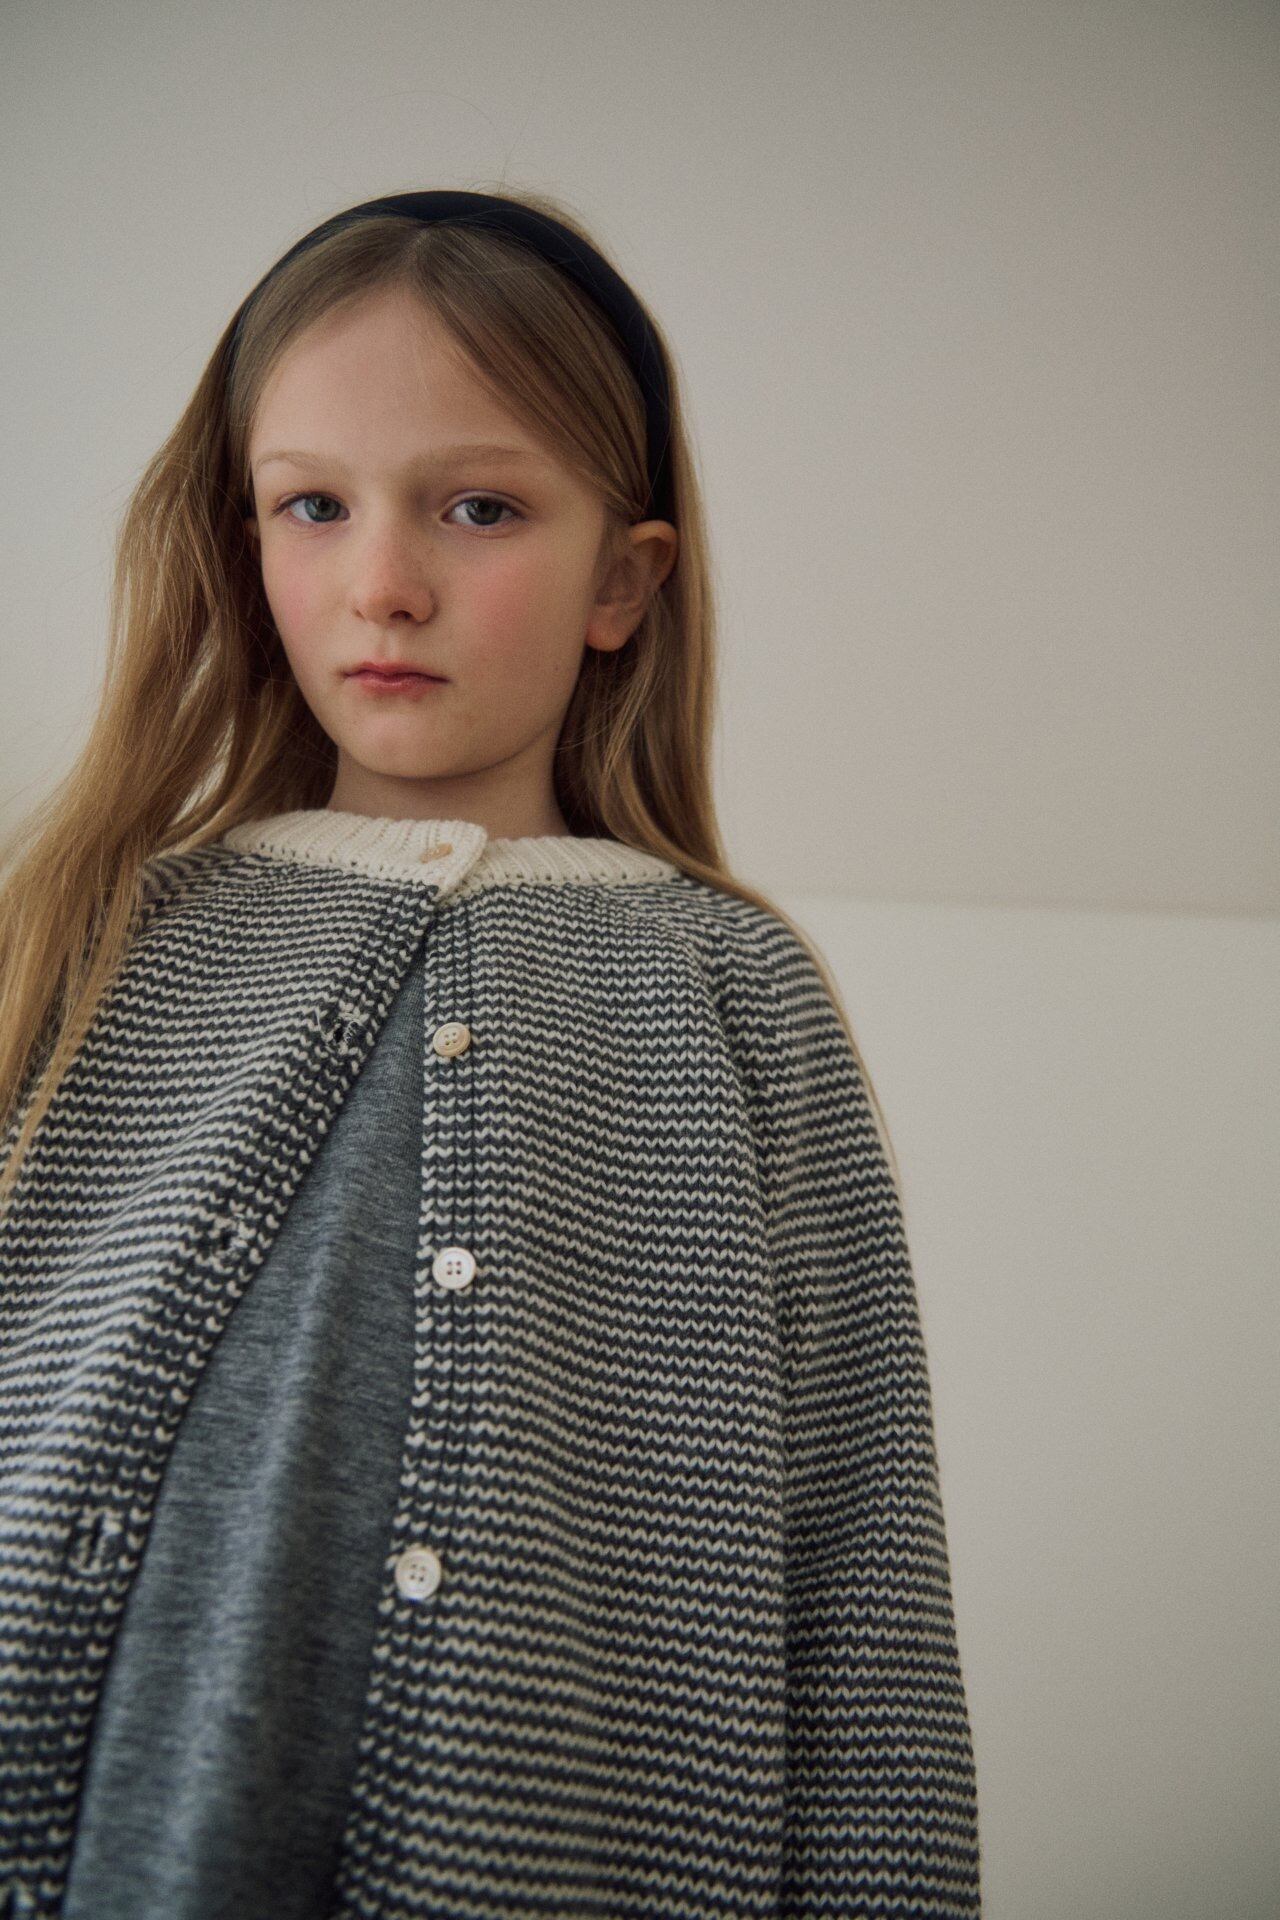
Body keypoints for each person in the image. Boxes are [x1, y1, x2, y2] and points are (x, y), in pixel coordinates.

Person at [0, 187, 982, 1918]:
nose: (383, 584)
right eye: (313, 505)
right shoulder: (97, 940)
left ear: (622, 578)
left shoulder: (732, 993)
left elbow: (860, 1574)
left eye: (478, 508)